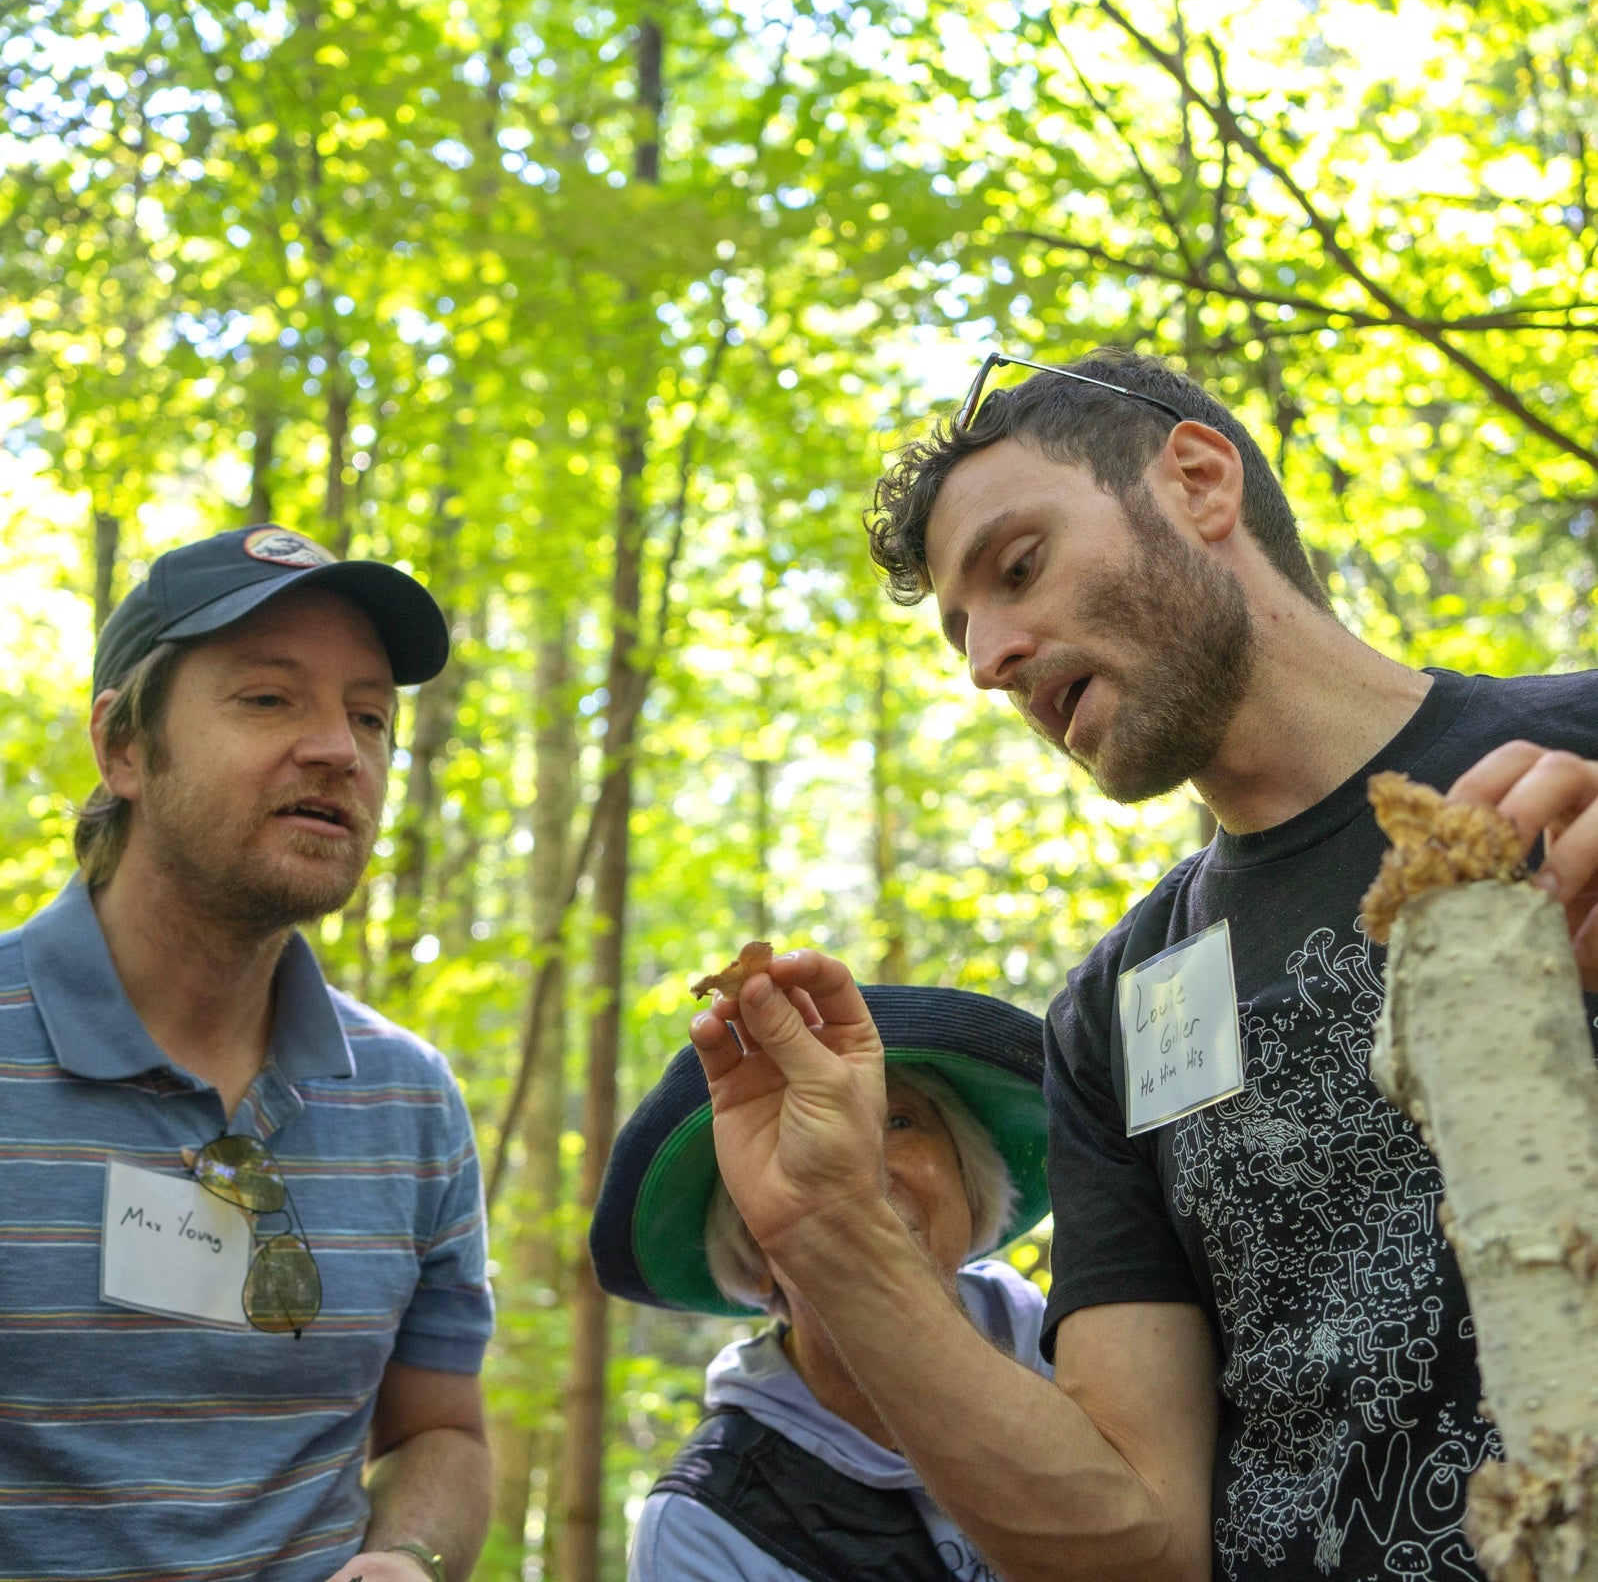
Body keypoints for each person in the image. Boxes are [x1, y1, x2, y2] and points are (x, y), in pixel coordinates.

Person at [687, 350, 1598, 1582]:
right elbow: (1136, 1544)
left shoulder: (1578, 745)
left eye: (1017, 568)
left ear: (1197, 480)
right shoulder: (1117, 1010)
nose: (986, 661)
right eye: (961, 632)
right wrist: (832, 1231)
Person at [0, 525, 494, 1582]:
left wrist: (409, 1554)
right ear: (123, 747)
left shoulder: (410, 1101)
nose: (339, 749)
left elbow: (440, 1434)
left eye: (369, 716)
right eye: (270, 699)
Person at [590, 983, 1054, 1581]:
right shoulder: (708, 1523)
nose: (856, 1168)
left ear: (971, 1183)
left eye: (898, 1119)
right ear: (751, 1246)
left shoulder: (1081, 1355)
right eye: (794, 1141)